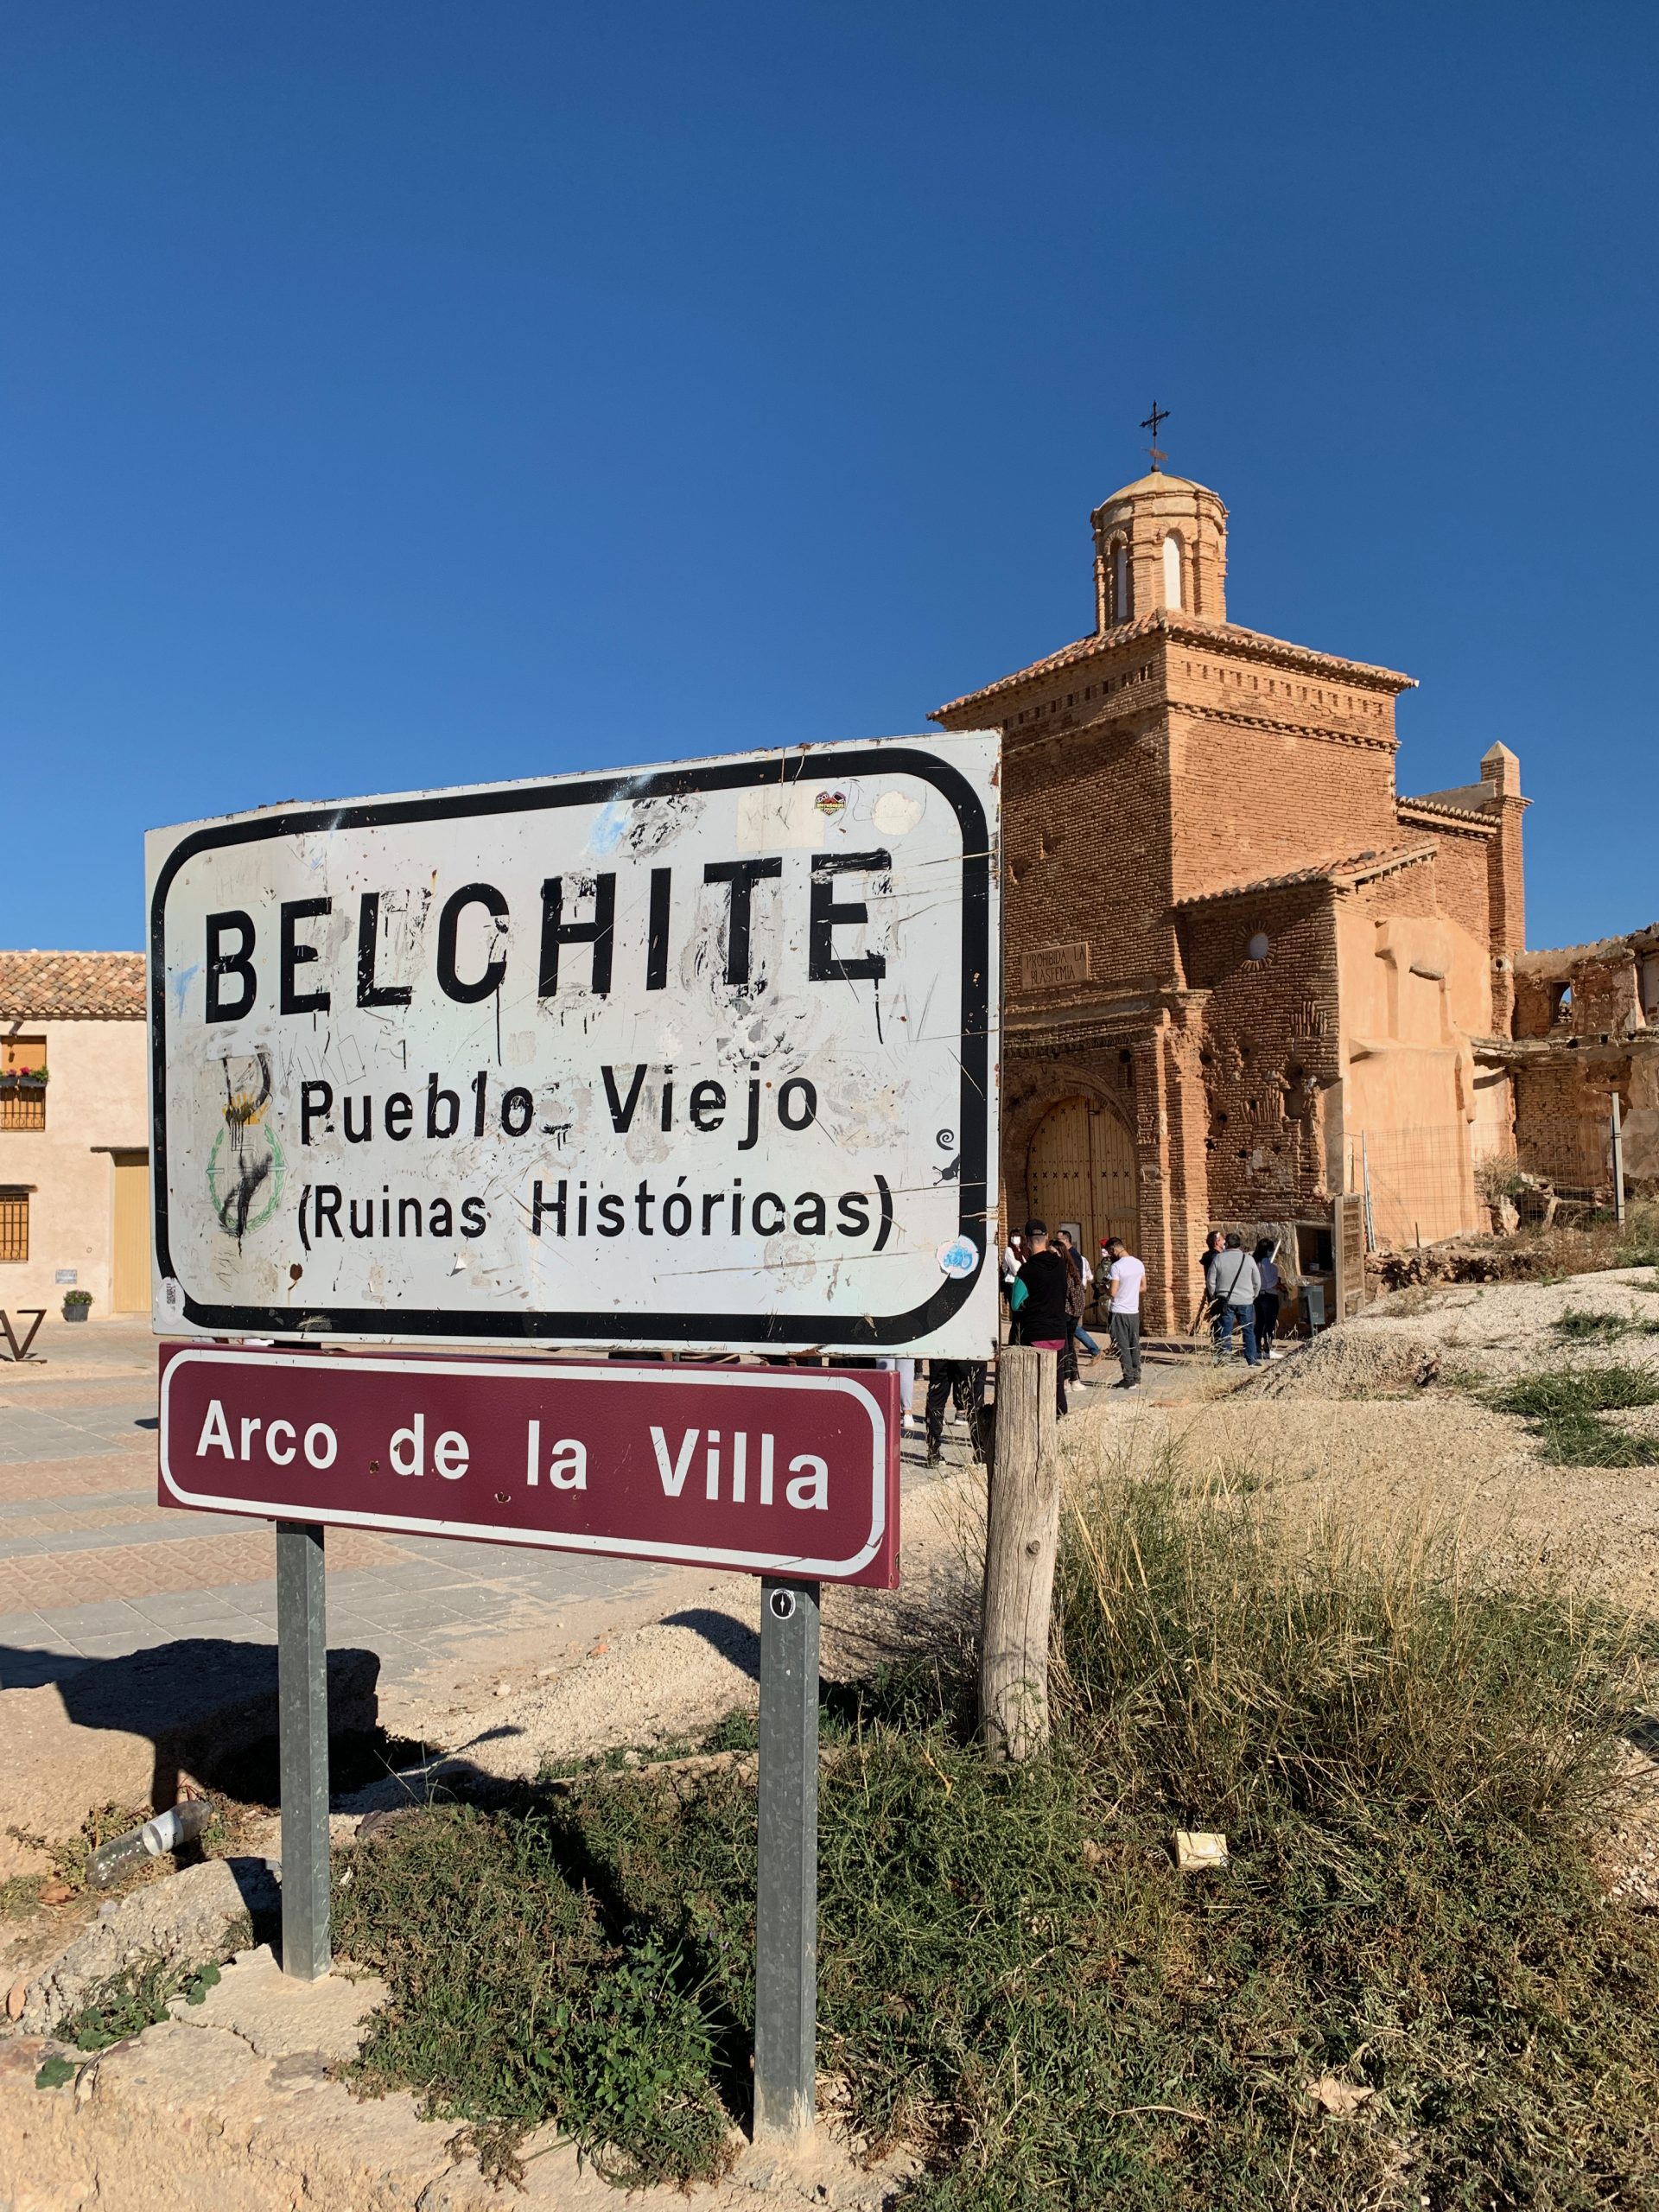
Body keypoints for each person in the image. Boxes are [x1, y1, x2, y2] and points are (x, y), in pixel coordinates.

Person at [1012, 1218, 1072, 1416]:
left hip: (1035, 1333)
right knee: (1056, 1381)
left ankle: (1038, 1417)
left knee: (1034, 1383)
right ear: (1046, 1238)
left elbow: (1015, 1303)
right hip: (1058, 1332)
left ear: (1027, 1241)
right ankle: (1059, 1415)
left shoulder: (1026, 1270)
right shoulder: (1060, 1265)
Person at [1210, 1232, 1262, 1364]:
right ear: (1239, 1244)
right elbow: (1257, 1282)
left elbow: (1211, 1281)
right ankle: (1251, 1359)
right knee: (1248, 1330)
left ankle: (1224, 1359)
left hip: (1225, 1300)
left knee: (1225, 1331)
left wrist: (1214, 1296)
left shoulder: (1218, 1259)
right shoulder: (1248, 1259)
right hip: (1246, 1300)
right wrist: (1253, 1296)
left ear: (1226, 1244)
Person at [924, 1357, 987, 1466]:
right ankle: (980, 1453)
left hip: (942, 1348)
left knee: (937, 1396)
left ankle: (933, 1452)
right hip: (973, 1349)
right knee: (975, 1400)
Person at [1103, 1236, 1146, 1388]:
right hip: (1133, 1310)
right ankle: (1137, 1376)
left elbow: (1113, 1292)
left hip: (1119, 1310)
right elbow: (1143, 1287)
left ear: (1114, 1249)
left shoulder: (1117, 1267)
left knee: (1122, 1345)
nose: (1109, 1255)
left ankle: (1128, 1378)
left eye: (1109, 1252)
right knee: (1134, 1343)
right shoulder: (1138, 1263)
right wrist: (1130, 1291)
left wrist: (1104, 1289)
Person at [1056, 1230, 1101, 1360]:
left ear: (1066, 1241)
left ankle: (1093, 1351)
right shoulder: (1074, 1255)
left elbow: (1075, 1278)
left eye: (1058, 1240)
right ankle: (1090, 1351)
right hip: (1074, 1297)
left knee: (1073, 1326)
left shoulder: (1072, 1257)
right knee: (1074, 1327)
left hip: (1072, 1298)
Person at [1253, 1237, 1282, 1362]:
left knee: (1259, 1322)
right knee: (1269, 1323)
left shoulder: (1254, 1261)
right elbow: (1272, 1282)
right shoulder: (1266, 1263)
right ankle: (1268, 1349)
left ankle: (1257, 1348)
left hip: (1258, 1296)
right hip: (1269, 1295)